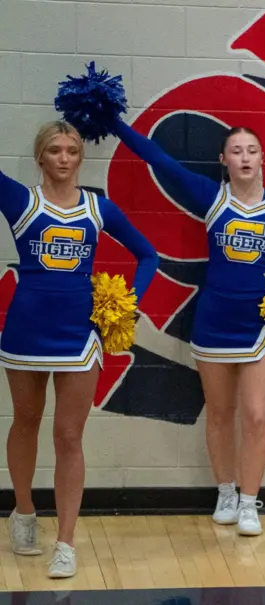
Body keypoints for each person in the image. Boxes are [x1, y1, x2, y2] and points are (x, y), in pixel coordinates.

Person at [105, 119, 265, 537]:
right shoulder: (211, 197)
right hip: (214, 322)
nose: (245, 157)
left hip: (262, 326)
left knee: (256, 416)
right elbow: (159, 159)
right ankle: (226, 492)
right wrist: (112, 122)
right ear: (223, 160)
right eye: (236, 151)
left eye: (252, 150)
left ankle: (250, 502)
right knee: (219, 413)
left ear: (263, 158)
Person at [1, 121, 159, 578]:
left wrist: (127, 305)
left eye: (72, 150)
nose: (65, 158)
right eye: (55, 150)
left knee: (69, 436)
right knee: (26, 420)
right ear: (40, 157)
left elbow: (147, 254)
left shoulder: (98, 208)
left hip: (80, 335)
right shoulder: (21, 201)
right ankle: (23, 512)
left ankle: (66, 542)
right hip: (26, 331)